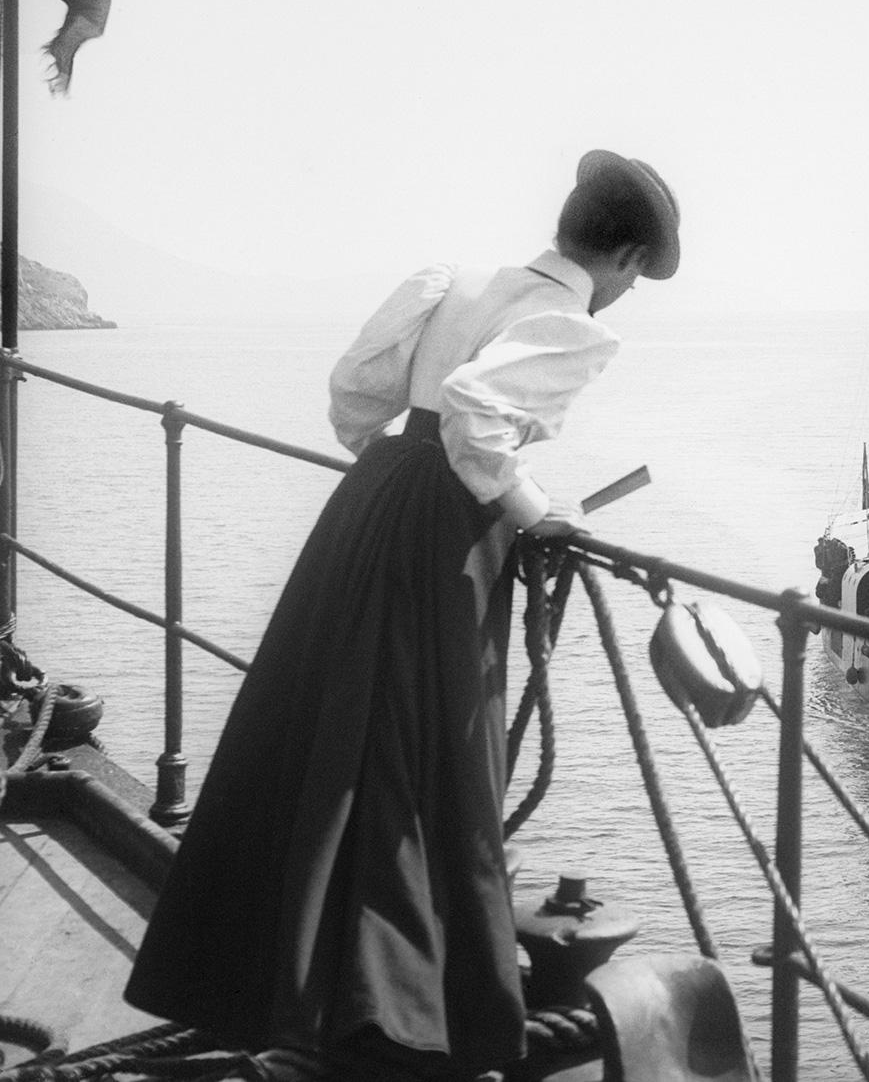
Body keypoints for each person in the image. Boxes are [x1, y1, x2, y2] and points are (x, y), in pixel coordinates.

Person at [123, 151, 681, 1081]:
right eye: (634, 273)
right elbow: (477, 415)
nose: (625, 290)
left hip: (374, 499)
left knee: (329, 736)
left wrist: (420, 465)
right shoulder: (573, 324)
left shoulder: (457, 282)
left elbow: (358, 395)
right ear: (620, 253)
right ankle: (387, 1015)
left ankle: (290, 985)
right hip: (441, 542)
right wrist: (538, 513)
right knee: (423, 762)